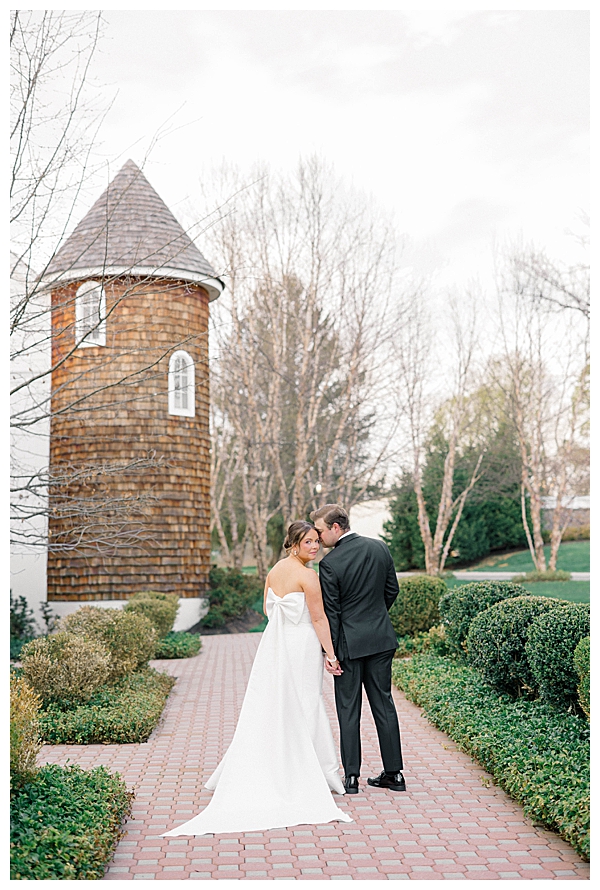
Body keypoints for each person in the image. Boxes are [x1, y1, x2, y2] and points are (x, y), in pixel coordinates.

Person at [161, 520, 353, 836]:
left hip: (278, 645)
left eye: (317, 541)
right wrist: (330, 655)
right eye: (308, 542)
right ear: (294, 543)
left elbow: (267, 610)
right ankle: (314, 771)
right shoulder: (308, 576)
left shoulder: (275, 571)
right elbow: (318, 618)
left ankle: (283, 763)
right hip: (303, 643)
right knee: (307, 700)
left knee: (278, 702)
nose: (315, 547)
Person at [311, 504, 406, 795]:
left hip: (349, 646)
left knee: (348, 710)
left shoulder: (329, 564)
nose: (318, 536)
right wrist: (375, 619)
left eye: (320, 530)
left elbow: (333, 612)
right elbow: (392, 590)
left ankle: (351, 778)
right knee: (384, 705)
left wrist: (332, 652)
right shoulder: (380, 548)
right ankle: (395, 775)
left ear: (335, 527)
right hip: (380, 640)